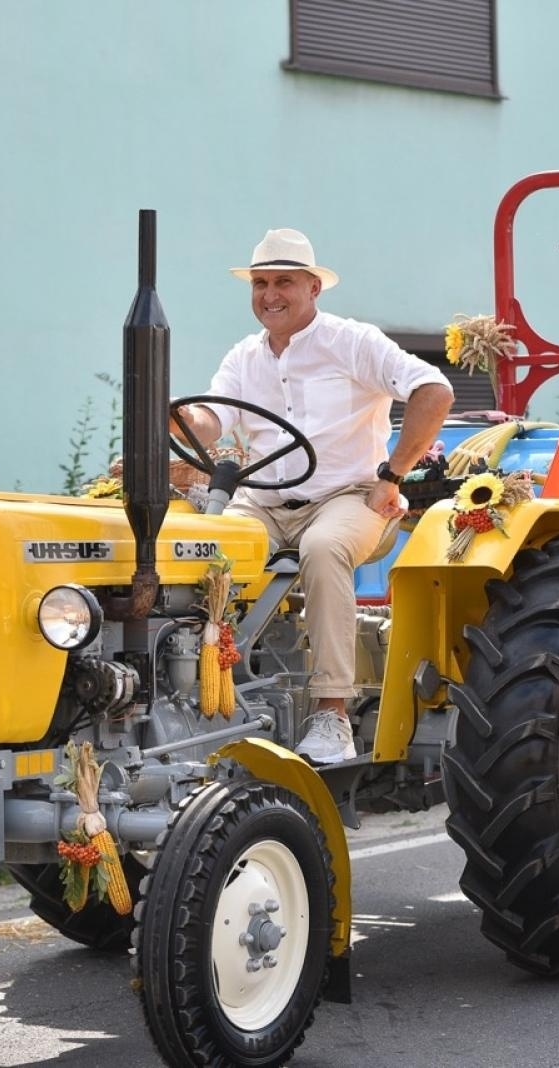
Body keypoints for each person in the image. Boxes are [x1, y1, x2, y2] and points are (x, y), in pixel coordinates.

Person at [171, 228, 453, 764]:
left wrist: (392, 477)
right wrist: (182, 419)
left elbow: (433, 389)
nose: (270, 295)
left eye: (283, 282)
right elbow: (212, 421)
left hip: (347, 496)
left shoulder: (353, 341)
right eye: (260, 283)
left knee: (323, 549)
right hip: (261, 500)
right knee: (203, 550)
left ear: (313, 287)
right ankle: (206, 693)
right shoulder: (243, 358)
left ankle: (332, 715)